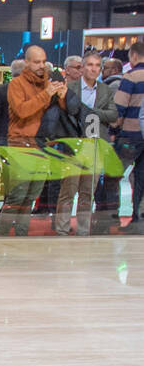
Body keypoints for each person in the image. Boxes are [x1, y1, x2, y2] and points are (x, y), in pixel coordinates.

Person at [0, 45, 66, 236]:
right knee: (17, 196)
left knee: (31, 196)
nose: (41, 66)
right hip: (20, 147)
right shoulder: (16, 85)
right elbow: (22, 111)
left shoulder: (47, 85)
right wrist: (47, 94)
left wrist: (62, 96)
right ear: (27, 62)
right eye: (37, 62)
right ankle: (2, 235)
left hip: (43, 147)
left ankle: (21, 235)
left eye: (44, 61)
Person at [58, 50, 118, 236]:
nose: (93, 69)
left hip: (95, 146)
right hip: (75, 145)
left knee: (87, 192)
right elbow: (62, 115)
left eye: (97, 66)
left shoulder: (105, 90)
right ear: (82, 67)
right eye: (90, 65)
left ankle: (83, 230)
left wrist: (91, 112)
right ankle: (61, 228)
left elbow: (113, 115)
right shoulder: (71, 88)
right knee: (68, 190)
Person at [112, 41, 144, 233]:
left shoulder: (131, 77)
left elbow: (119, 108)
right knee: (141, 177)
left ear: (132, 57)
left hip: (130, 135)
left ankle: (108, 212)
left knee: (113, 173)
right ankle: (138, 215)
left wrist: (114, 130)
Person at [95, 56, 126, 227]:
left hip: (113, 139)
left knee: (109, 179)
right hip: (121, 138)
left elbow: (115, 115)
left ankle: (108, 216)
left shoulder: (113, 86)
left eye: (104, 67)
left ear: (114, 70)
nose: (102, 71)